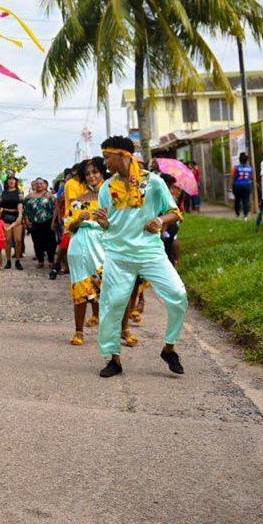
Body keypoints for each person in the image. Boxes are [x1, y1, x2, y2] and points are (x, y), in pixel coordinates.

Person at [95, 136, 188, 378]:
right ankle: (114, 358)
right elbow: (108, 224)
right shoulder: (106, 188)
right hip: (118, 253)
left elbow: (174, 212)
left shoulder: (153, 182)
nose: (105, 162)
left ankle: (169, 348)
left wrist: (159, 220)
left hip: (150, 252)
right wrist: (103, 223)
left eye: (108, 157)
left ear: (124, 156)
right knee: (112, 305)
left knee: (178, 294)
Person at [65, 158, 106, 346]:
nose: (92, 176)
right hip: (80, 247)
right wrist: (78, 221)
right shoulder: (78, 201)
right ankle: (79, 332)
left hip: (104, 247)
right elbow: (69, 226)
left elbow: (120, 224)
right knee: (81, 289)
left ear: (103, 173)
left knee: (108, 291)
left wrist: (105, 222)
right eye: (88, 173)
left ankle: (118, 330)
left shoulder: (112, 198)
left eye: (95, 172)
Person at [24, 178, 56, 269]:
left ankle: (51, 261)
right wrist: (27, 220)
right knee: (37, 242)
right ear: (34, 185)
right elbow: (26, 210)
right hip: (35, 222)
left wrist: (54, 222)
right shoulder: (29, 196)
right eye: (37, 183)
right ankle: (40, 261)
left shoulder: (50, 195)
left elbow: (55, 210)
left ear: (45, 185)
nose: (39, 185)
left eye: (41, 183)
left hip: (48, 221)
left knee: (50, 242)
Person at [0, 176, 25, 270]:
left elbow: (20, 203)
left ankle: (18, 261)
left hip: (16, 216)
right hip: (5, 217)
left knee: (18, 240)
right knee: (7, 240)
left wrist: (20, 215)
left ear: (16, 182)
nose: (11, 181)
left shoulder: (19, 192)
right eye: (9, 180)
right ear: (7, 182)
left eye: (13, 180)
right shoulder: (3, 193)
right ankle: (8, 261)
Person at [231, 153, 254, 219]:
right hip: (247, 185)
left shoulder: (236, 167)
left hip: (237, 185)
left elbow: (233, 177)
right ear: (247, 160)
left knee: (237, 200)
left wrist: (230, 186)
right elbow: (251, 177)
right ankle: (245, 216)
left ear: (239, 160)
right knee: (246, 200)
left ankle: (237, 214)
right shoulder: (250, 168)